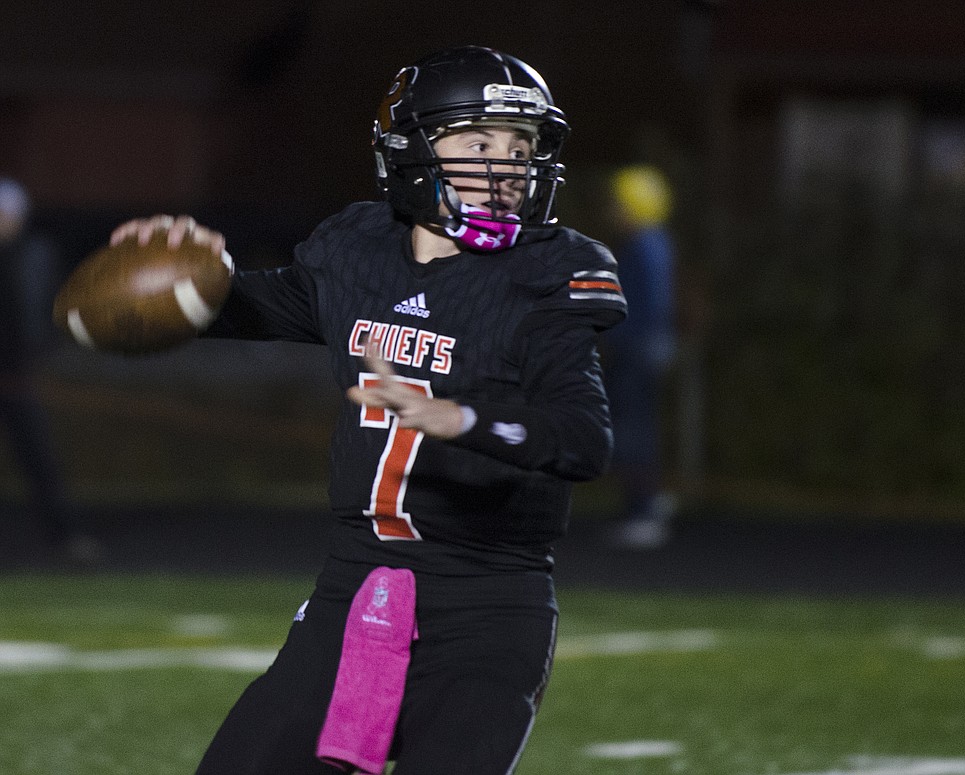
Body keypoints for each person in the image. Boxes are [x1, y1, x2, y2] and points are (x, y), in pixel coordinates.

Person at [108, 46, 625, 774]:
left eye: (521, 146)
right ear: (413, 152)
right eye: (478, 142)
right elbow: (249, 305)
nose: (507, 165)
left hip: (485, 604)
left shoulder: (549, 273)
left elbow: (583, 440)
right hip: (356, 584)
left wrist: (463, 419)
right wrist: (180, 274)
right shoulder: (359, 252)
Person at [0, 177, 102, 564]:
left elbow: (46, 310)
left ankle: (66, 537)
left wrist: (38, 355)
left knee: (39, 460)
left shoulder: (35, 255)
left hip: (17, 376)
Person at [601, 165, 678, 550]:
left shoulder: (644, 246)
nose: (613, 210)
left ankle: (644, 512)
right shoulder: (654, 242)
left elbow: (641, 308)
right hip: (643, 350)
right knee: (637, 428)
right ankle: (646, 505)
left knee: (633, 431)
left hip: (636, 352)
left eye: (619, 202)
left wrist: (611, 336)